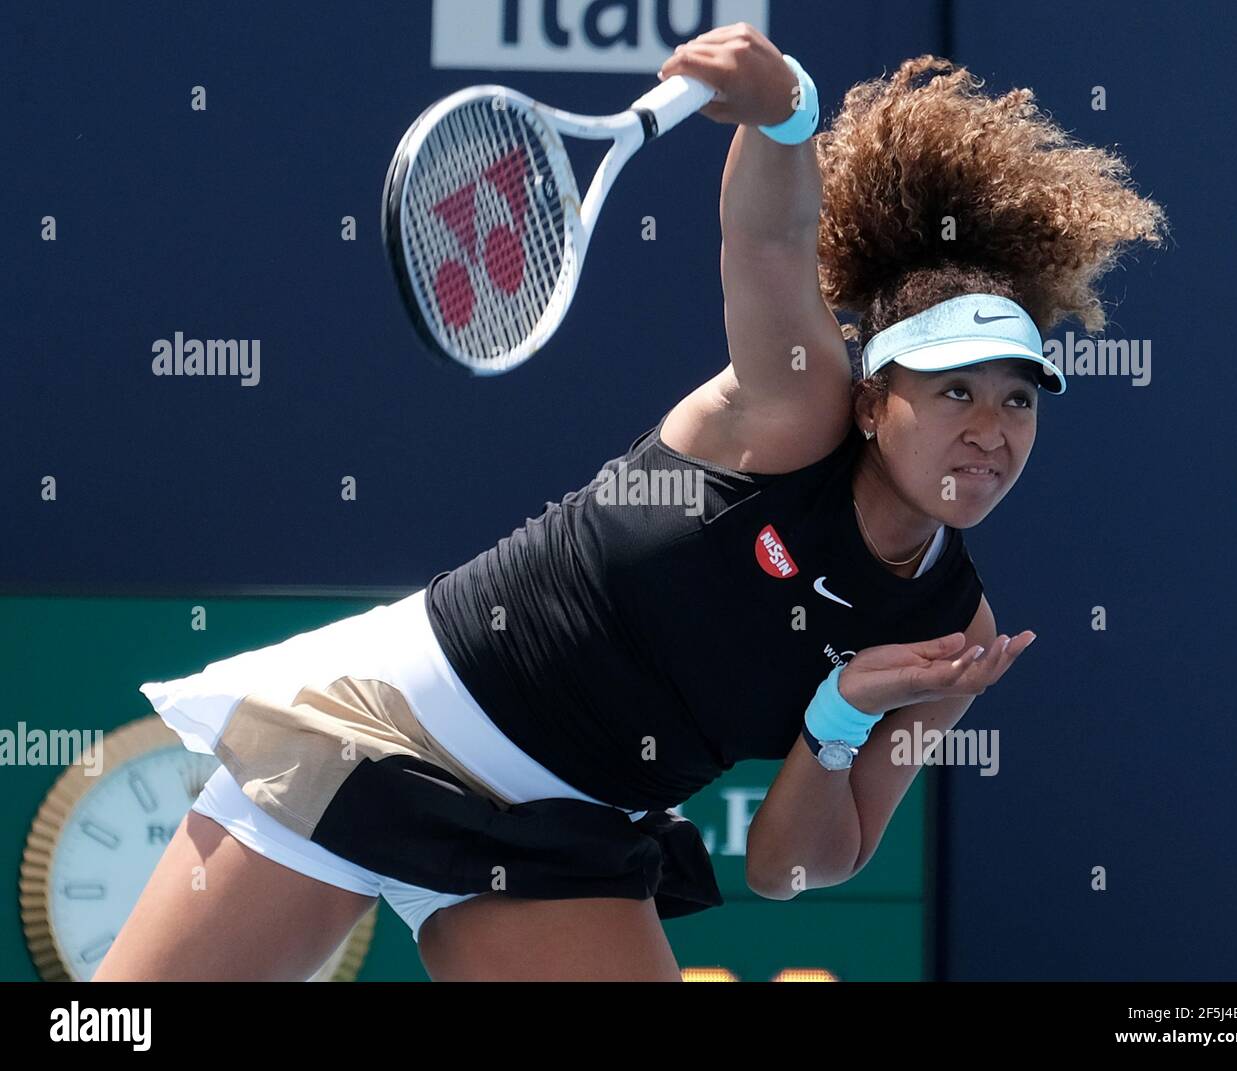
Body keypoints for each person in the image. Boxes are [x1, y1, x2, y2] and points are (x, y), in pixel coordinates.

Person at [93, 23, 1167, 982]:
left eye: (1018, 398)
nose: (990, 427)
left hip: (566, 834)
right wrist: (785, 108)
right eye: (954, 392)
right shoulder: (793, 414)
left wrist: (840, 718)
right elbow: (770, 242)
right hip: (386, 729)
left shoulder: (950, 638)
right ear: (875, 402)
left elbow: (795, 870)